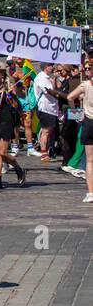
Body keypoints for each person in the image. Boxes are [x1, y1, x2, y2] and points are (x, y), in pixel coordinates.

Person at [60, 62, 93, 204]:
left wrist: (78, 113)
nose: (86, 70)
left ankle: (91, 193)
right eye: (85, 69)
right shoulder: (84, 84)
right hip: (89, 123)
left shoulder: (85, 85)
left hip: (89, 122)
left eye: (88, 68)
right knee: (90, 160)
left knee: (90, 160)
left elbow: (69, 97)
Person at [32, 62, 59, 162]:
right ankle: (44, 153)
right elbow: (50, 91)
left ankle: (46, 151)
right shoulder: (42, 78)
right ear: (45, 67)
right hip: (45, 108)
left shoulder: (46, 77)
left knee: (49, 131)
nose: (52, 67)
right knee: (46, 131)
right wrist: (61, 95)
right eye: (50, 65)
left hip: (50, 108)